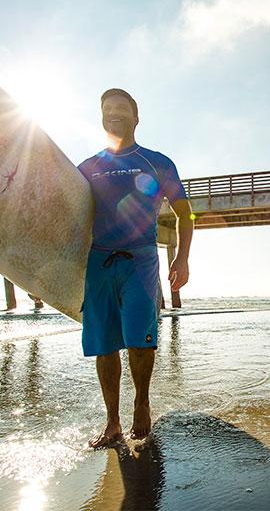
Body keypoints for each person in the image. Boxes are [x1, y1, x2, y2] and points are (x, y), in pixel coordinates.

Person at [78, 88, 193, 448]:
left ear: (136, 117)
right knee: (104, 343)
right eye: (107, 108)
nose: (113, 113)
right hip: (99, 260)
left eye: (121, 108)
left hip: (140, 259)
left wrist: (182, 257)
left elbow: (184, 213)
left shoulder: (155, 161)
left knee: (141, 340)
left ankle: (141, 403)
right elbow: (68, 218)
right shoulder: (87, 168)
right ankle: (112, 421)